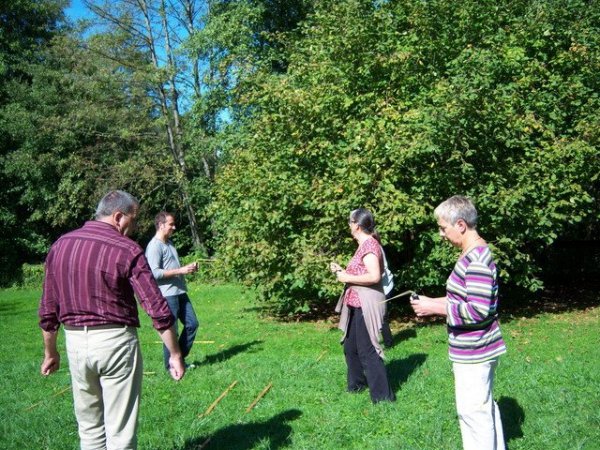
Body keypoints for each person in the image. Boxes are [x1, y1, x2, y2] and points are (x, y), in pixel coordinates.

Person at [39, 190, 185, 450]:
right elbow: (156, 307)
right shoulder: (127, 249)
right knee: (120, 430)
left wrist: (51, 352)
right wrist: (174, 353)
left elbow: (48, 310)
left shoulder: (60, 245)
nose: (135, 225)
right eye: (134, 218)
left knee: (90, 428)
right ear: (118, 216)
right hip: (115, 341)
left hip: (75, 342)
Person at [410, 195, 507, 450]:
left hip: (475, 351)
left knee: (474, 414)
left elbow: (478, 310)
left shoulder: (476, 261)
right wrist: (433, 302)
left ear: (461, 225)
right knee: (482, 408)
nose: (441, 234)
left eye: (443, 228)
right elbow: (463, 297)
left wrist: (434, 308)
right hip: (475, 348)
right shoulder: (473, 252)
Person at [330, 208, 396, 403]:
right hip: (355, 303)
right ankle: (357, 386)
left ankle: (383, 397)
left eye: (350, 222)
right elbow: (361, 273)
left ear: (356, 225)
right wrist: (342, 271)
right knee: (350, 347)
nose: (349, 226)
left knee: (368, 351)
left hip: (367, 304)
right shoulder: (363, 244)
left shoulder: (369, 246)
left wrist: (346, 277)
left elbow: (375, 276)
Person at [146, 211, 199, 370]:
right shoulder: (154, 246)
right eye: (171, 224)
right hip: (167, 295)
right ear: (161, 225)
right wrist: (180, 271)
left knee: (192, 324)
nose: (174, 227)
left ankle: (178, 360)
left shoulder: (169, 243)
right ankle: (172, 367)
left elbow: (173, 267)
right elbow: (154, 273)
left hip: (180, 292)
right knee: (171, 332)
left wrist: (188, 268)